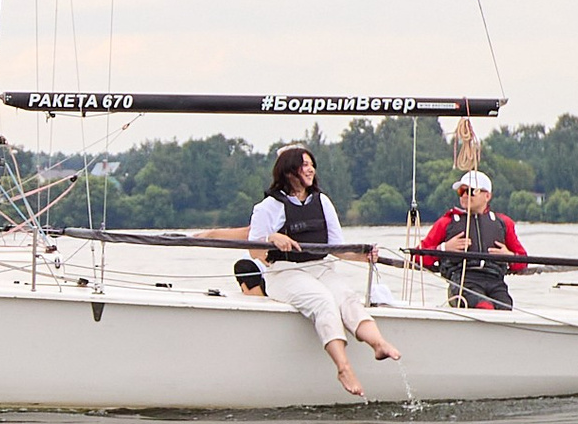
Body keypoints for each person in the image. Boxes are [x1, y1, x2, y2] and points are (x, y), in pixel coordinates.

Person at [224, 144, 399, 396]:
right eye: (304, 165)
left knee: (346, 299)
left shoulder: (323, 202)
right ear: (288, 171)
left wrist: (363, 256)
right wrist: (273, 238)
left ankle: (378, 343)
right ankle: (343, 367)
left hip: (321, 267)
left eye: (311, 164)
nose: (310, 169)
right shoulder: (267, 207)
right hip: (285, 272)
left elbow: (336, 248)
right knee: (323, 302)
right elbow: (255, 252)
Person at [416, 168, 529, 311]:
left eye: (470, 191)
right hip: (463, 281)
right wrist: (443, 249)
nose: (464, 196)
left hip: (495, 281)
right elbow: (417, 257)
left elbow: (522, 262)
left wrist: (510, 256)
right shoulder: (447, 222)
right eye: (461, 192)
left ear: (487, 196)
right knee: (484, 306)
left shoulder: (503, 223)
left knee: (505, 307)